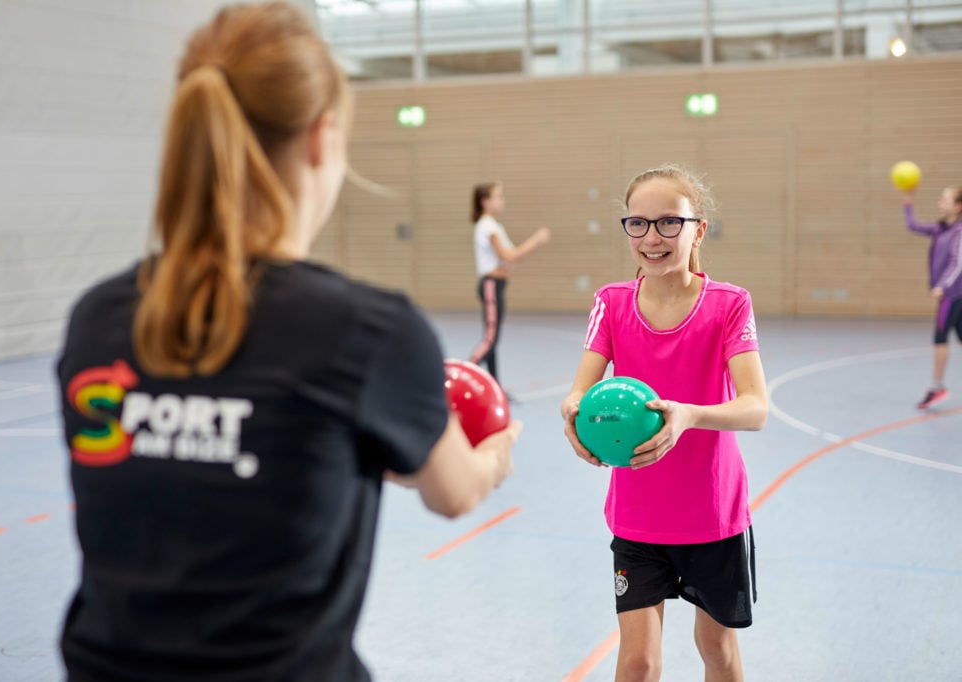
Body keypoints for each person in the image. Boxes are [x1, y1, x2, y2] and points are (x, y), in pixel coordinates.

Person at [55, 4, 519, 681]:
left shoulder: (96, 319)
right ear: (321, 138)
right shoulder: (367, 331)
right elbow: (455, 493)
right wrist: (498, 451)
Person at [560, 165, 768, 682]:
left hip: (712, 515)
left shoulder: (729, 304)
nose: (652, 238)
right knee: (638, 661)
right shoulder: (609, 304)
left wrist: (688, 416)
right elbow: (579, 390)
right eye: (638, 223)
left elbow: (756, 407)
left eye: (669, 223)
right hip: (637, 513)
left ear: (698, 229)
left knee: (716, 650)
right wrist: (574, 416)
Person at [468, 181, 551, 385]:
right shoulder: (488, 226)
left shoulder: (495, 226)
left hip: (497, 285)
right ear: (485, 202)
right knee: (490, 340)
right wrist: (536, 240)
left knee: (493, 339)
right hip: (491, 285)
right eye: (498, 196)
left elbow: (512, 255)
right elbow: (509, 255)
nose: (502, 201)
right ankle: (464, 374)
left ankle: (494, 388)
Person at [903, 185, 962, 409]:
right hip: (953, 294)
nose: (941, 203)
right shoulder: (940, 228)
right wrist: (907, 202)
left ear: (958, 206)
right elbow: (913, 226)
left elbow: (958, 262)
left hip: (951, 295)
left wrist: (942, 286)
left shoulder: (959, 232)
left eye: (945, 200)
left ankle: (937, 388)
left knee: (940, 339)